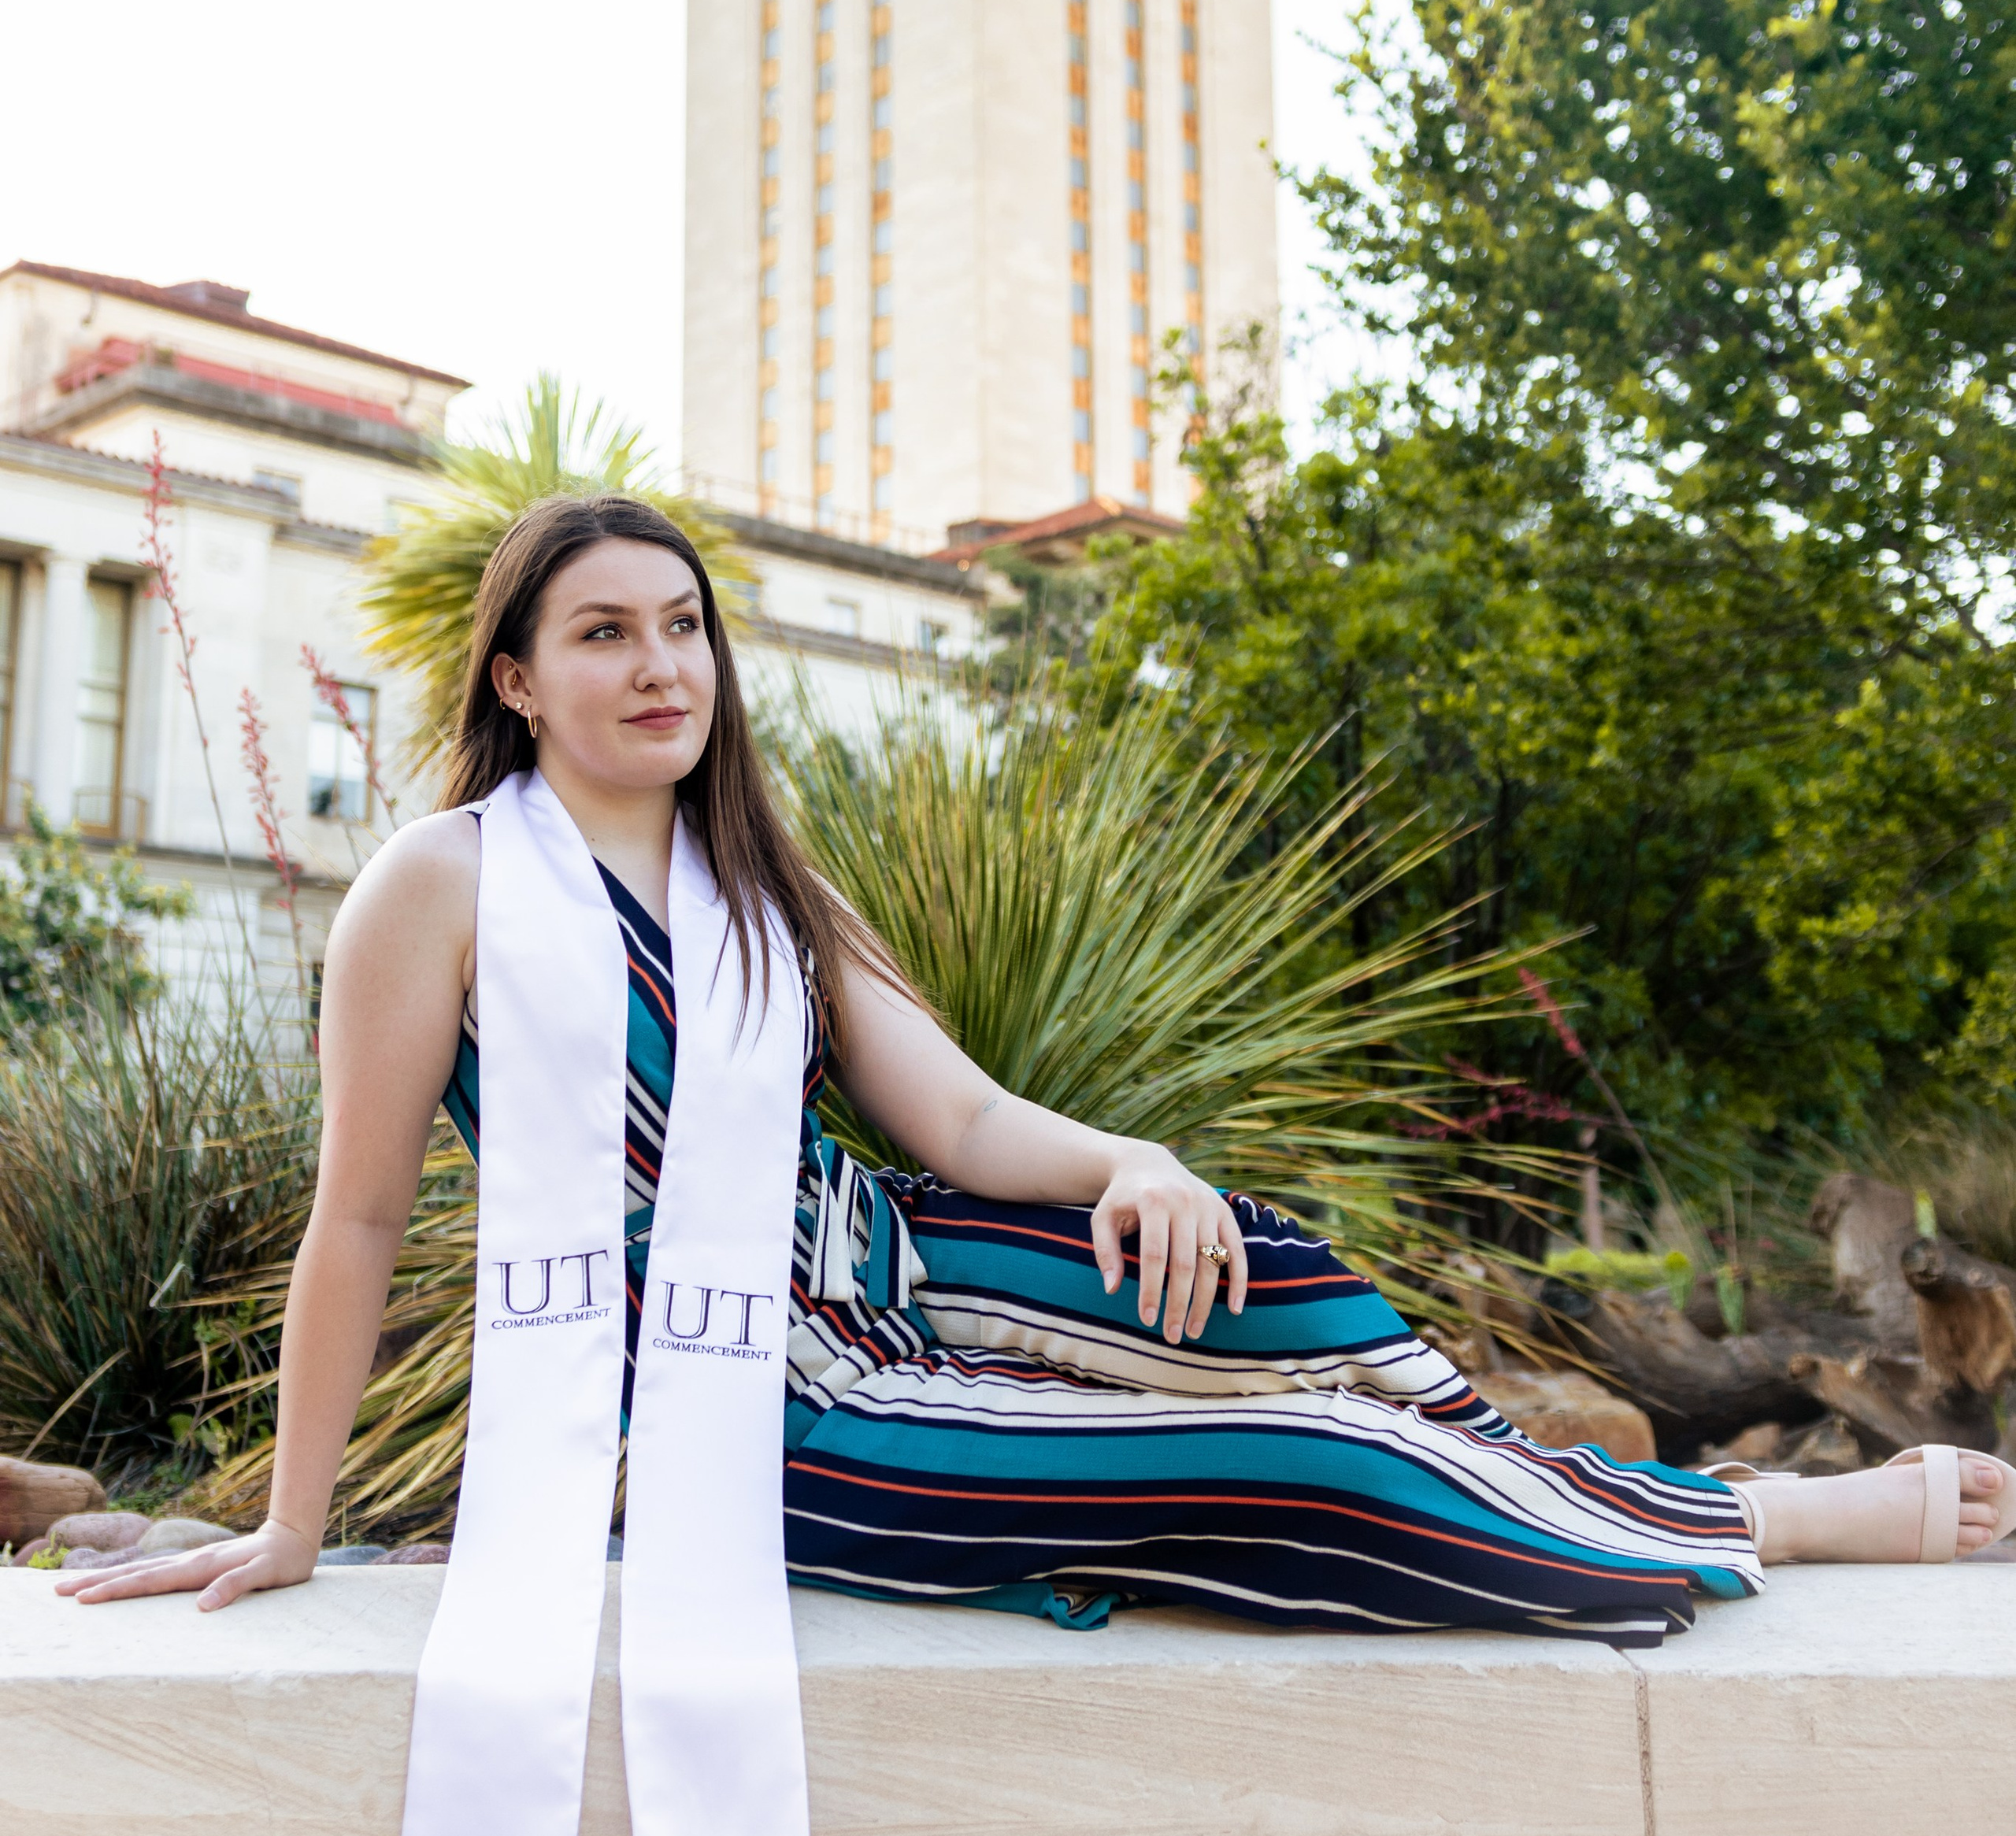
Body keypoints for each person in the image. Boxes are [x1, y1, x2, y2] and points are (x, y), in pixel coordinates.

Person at [62, 494, 2016, 1638]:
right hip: (711, 1414)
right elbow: (363, 1208)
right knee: (1298, 1456)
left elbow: (967, 1119)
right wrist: (295, 1521)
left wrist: (1139, 1163)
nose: (659, 667)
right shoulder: (441, 883)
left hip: (892, 1268)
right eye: (601, 635)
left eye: (683, 628)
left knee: (1277, 1269)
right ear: (514, 677)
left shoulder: (765, 872)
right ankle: (1761, 1520)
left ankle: (1575, 1488)